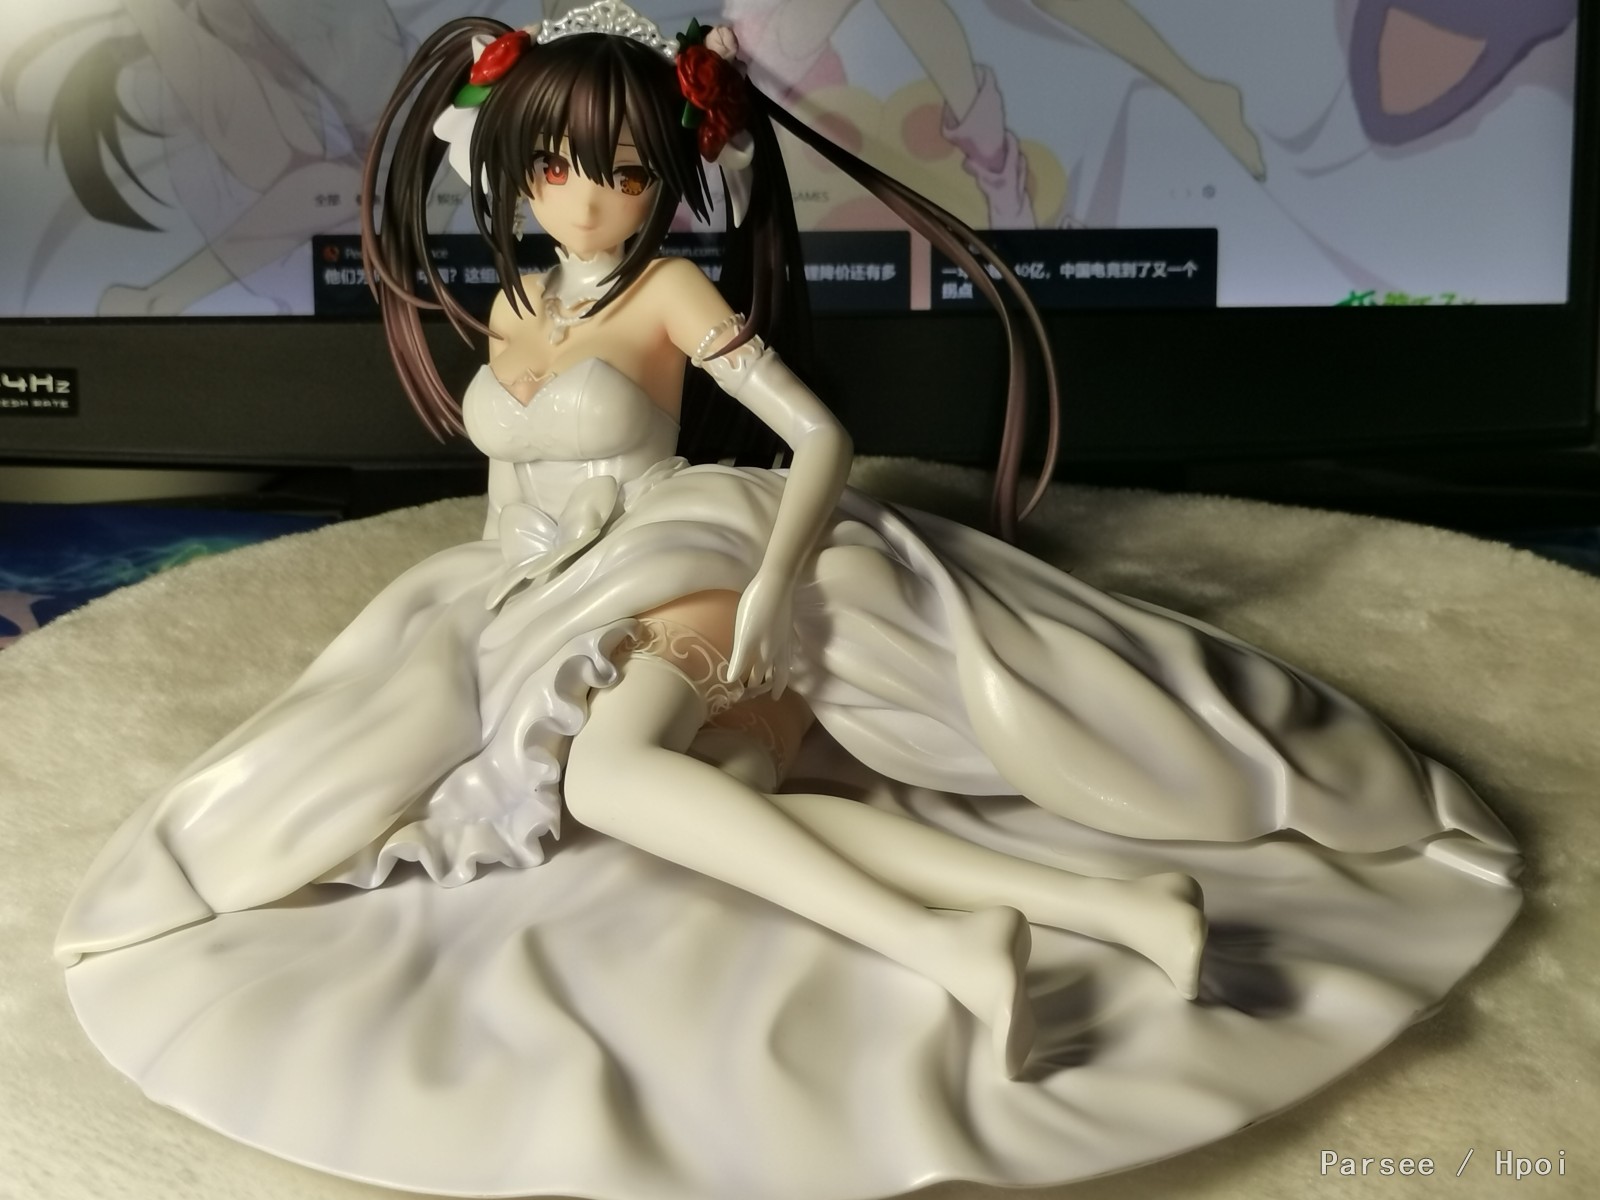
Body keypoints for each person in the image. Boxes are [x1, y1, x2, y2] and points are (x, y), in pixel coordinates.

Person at [53, 3, 1518, 1192]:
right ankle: (1116, 908)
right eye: (554, 166)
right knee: (721, 799)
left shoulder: (670, 295)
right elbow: (510, 493)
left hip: (683, 555)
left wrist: (766, 586)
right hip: (538, 592)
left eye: (624, 170)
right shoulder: (512, 303)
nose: (586, 197)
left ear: (667, 178)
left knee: (613, 782)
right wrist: (480, 628)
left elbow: (820, 438)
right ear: (507, 168)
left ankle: (943, 948)